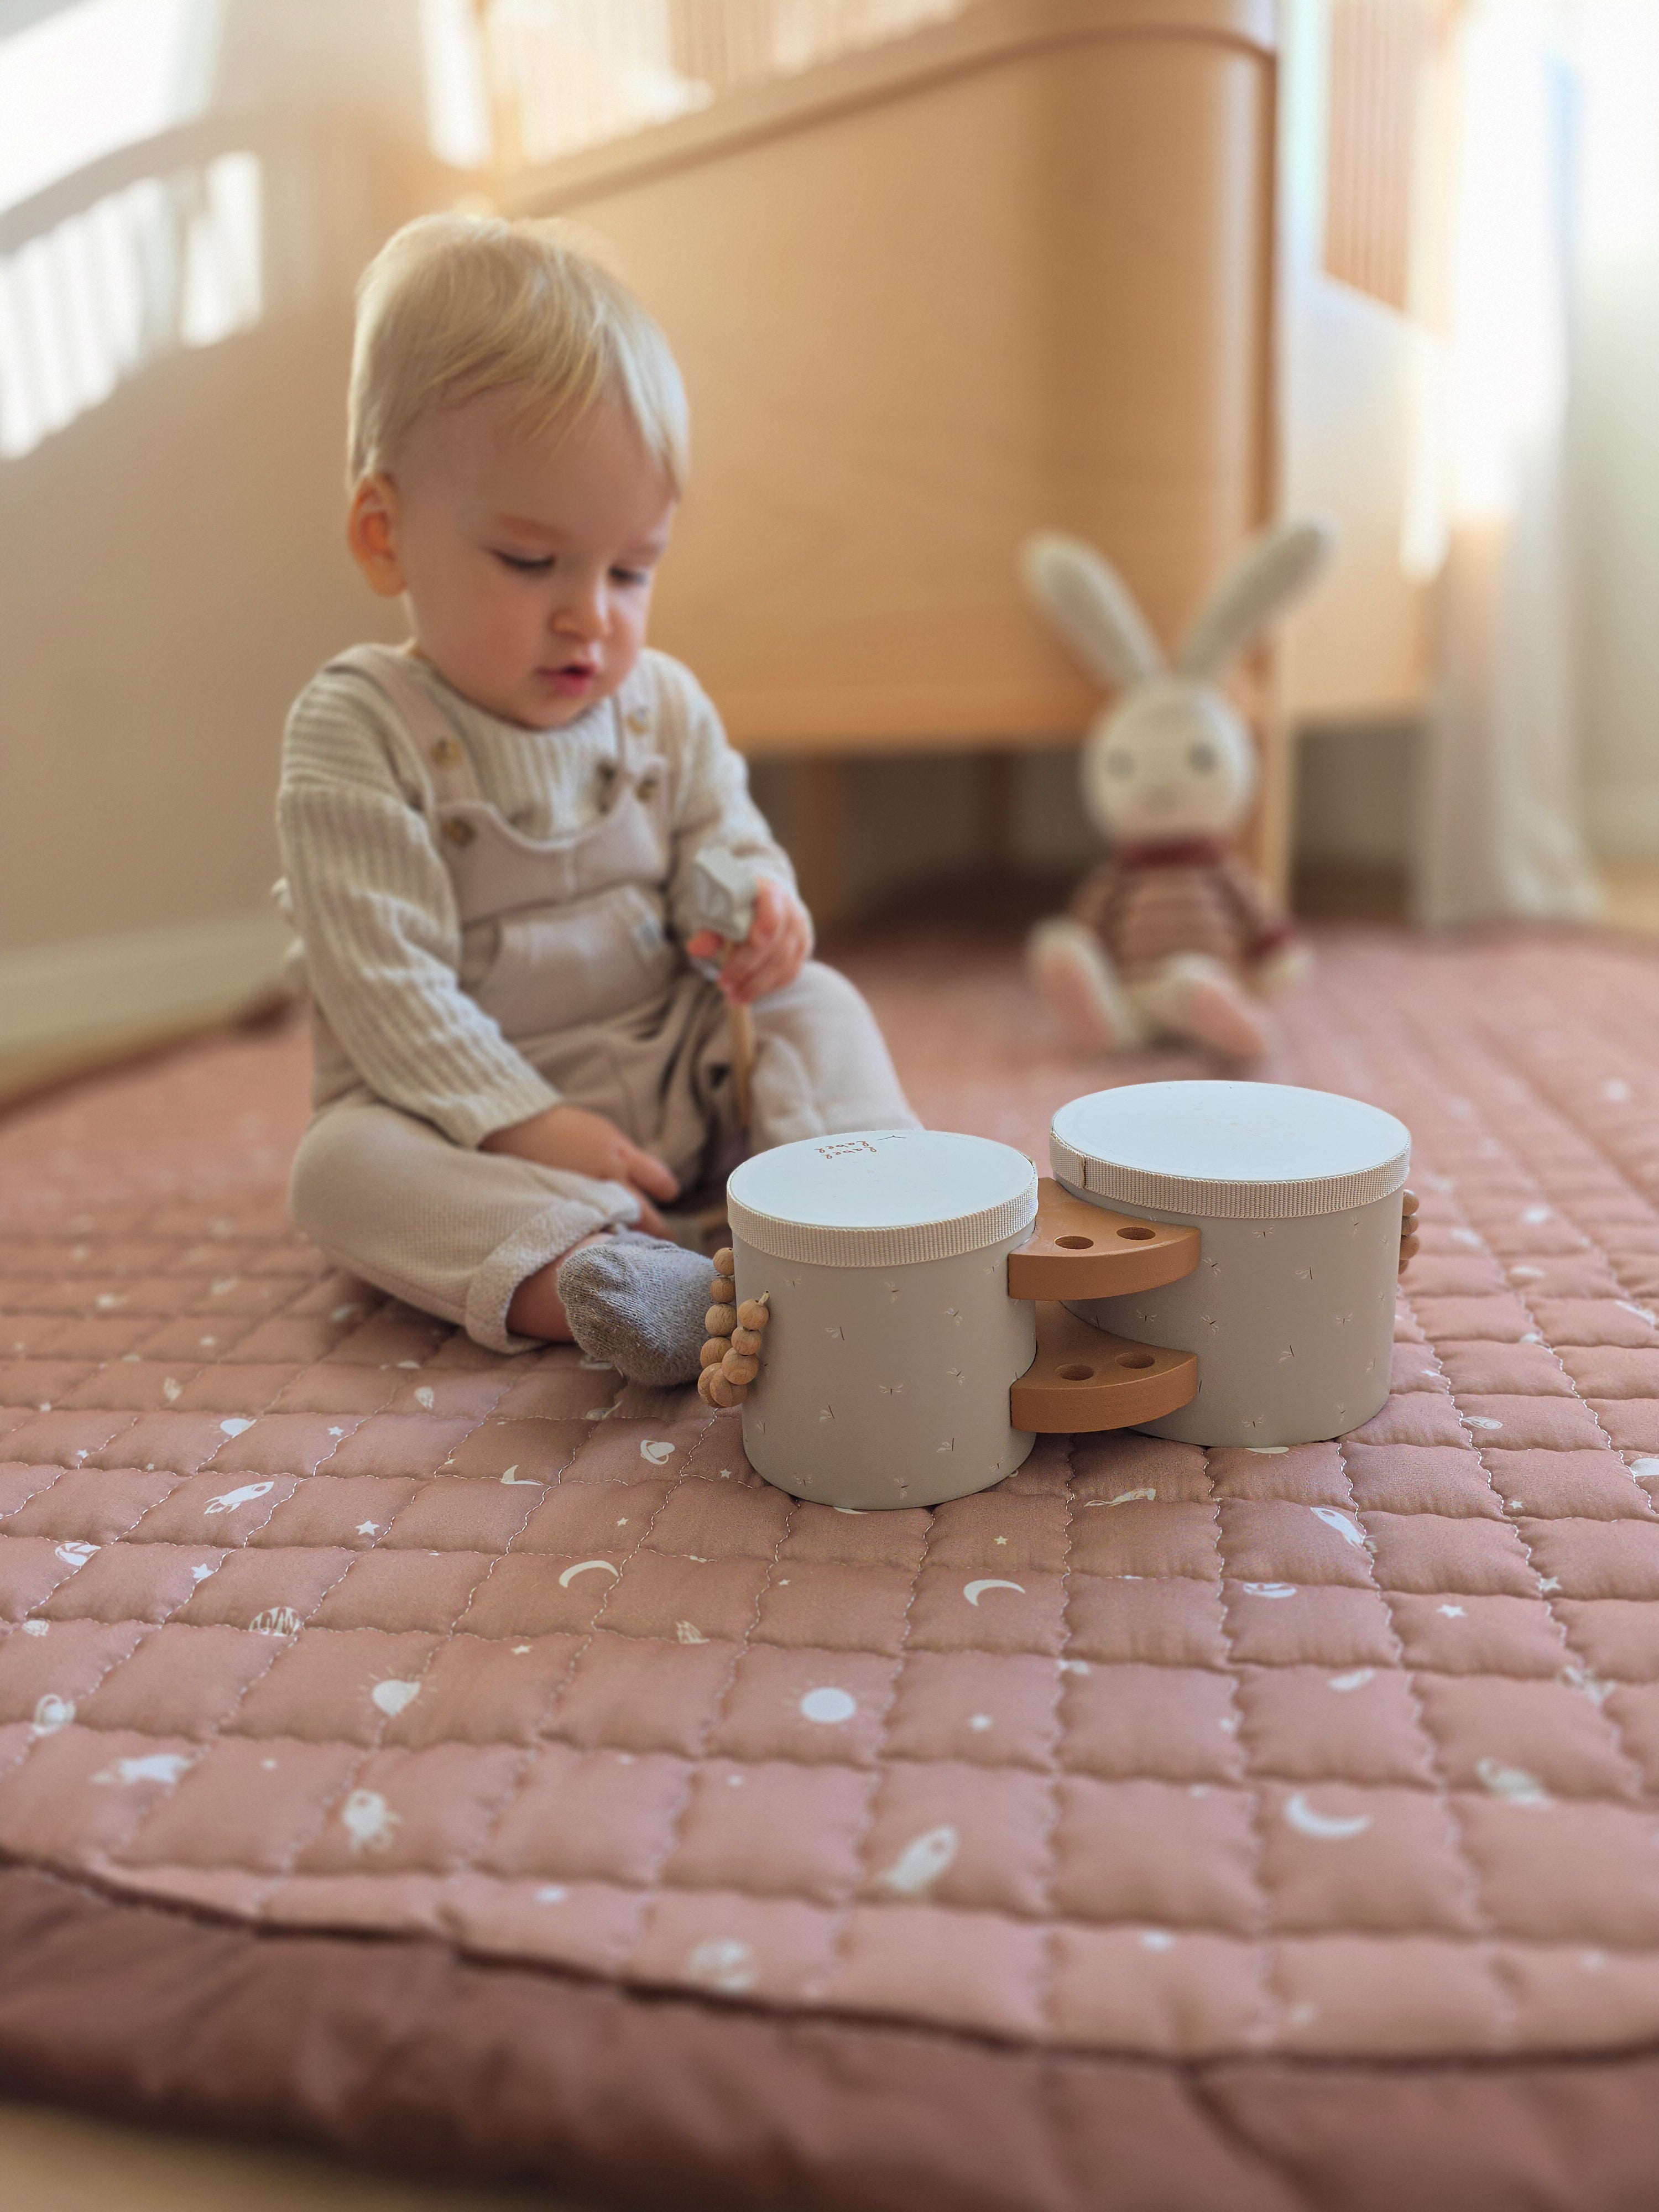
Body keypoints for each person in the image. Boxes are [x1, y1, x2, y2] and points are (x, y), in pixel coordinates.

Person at [277, 214, 916, 1383]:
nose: (591, 615)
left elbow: (720, 839)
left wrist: (754, 904)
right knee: (338, 1170)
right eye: (531, 563)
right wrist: (526, 1126)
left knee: (818, 1002)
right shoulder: (357, 730)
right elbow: (387, 993)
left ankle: (879, 1213)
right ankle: (607, 1276)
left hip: (680, 1071)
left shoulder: (663, 704)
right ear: (385, 534)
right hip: (470, 1131)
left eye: (632, 569)